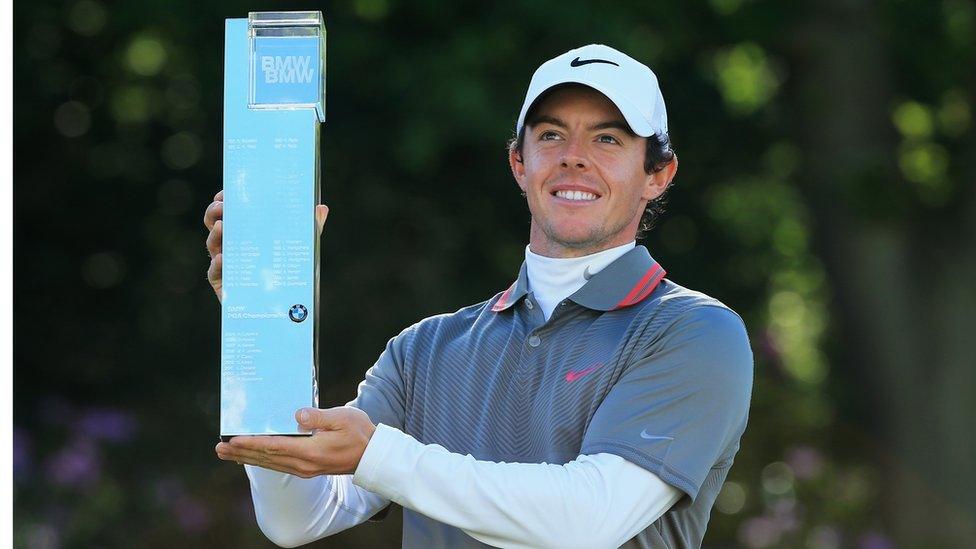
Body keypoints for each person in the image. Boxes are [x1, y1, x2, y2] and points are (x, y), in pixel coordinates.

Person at [205, 44, 754, 548]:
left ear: (658, 174)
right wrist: (265, 319)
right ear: (520, 164)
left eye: (608, 139)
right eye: (551, 135)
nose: (574, 157)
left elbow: (590, 520)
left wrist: (381, 454)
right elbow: (299, 518)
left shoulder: (695, 332)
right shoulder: (424, 349)